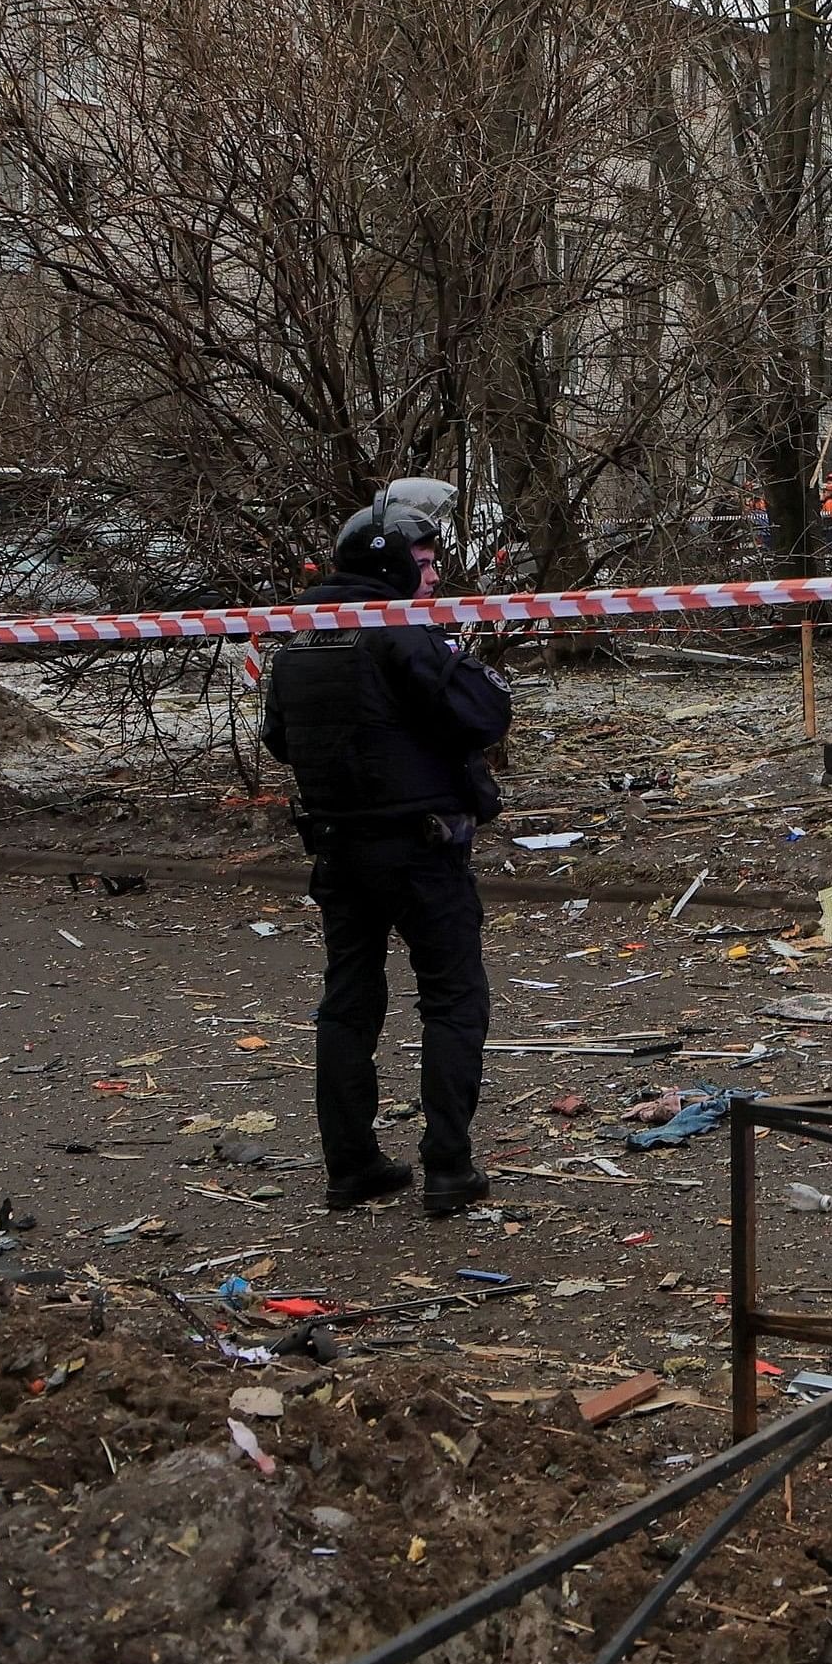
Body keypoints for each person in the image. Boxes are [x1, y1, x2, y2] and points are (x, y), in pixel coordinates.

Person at [259, 494, 514, 1218]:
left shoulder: (301, 636)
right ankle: (447, 1166)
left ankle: (351, 1164)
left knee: (347, 1003)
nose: (432, 576)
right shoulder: (393, 626)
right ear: (391, 563)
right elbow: (483, 710)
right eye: (425, 562)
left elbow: (280, 738)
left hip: (338, 848)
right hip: (418, 848)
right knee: (454, 998)